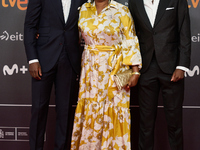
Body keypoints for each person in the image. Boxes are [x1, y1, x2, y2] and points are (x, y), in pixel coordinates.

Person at [70, 0, 142, 149]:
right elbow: (72, 36)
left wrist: (135, 71)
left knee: (114, 108)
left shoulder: (121, 10)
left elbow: (131, 40)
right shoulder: (83, 8)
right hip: (89, 69)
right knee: (90, 107)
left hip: (115, 68)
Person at [24, 0, 86, 149]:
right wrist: (32, 59)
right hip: (44, 58)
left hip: (70, 59)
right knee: (39, 110)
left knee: (65, 111)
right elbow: (30, 26)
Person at [128, 0, 191, 149]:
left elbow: (184, 31)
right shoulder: (134, 2)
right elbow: (131, 35)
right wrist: (134, 67)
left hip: (172, 68)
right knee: (145, 123)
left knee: (174, 123)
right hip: (146, 68)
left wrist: (181, 66)